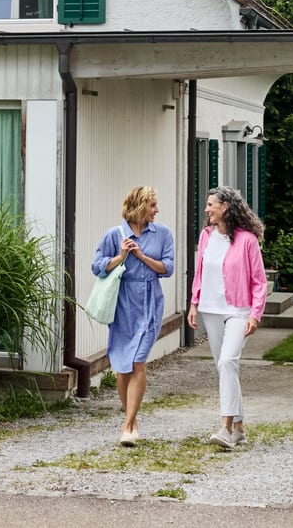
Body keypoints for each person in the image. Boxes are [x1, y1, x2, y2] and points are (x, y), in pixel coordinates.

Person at [93, 185, 174, 446]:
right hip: (123, 302)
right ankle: (132, 419)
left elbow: (168, 268)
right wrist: (121, 256)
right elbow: (97, 266)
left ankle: (127, 425)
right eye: (152, 205)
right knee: (121, 366)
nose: (156, 209)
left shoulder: (162, 234)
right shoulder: (113, 234)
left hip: (149, 300)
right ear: (139, 206)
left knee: (138, 361)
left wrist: (141, 255)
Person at [186, 186, 267, 448]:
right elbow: (199, 272)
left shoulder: (247, 240)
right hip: (210, 309)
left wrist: (255, 314)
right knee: (224, 367)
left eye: (211, 205)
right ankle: (240, 428)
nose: (207, 209)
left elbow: (259, 281)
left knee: (229, 361)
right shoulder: (207, 235)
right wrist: (194, 303)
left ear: (226, 207)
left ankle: (226, 428)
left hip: (238, 311)